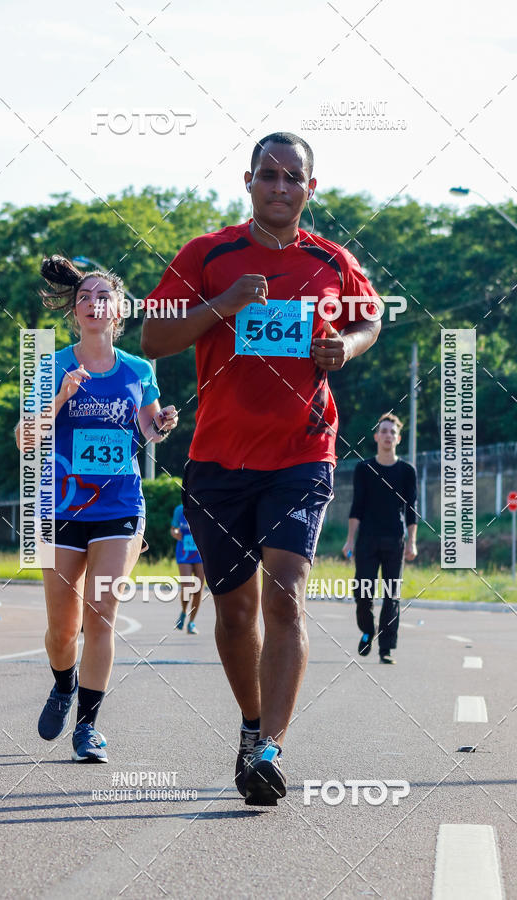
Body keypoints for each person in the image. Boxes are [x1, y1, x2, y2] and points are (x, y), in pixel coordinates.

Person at [142, 132, 381, 805]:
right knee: (234, 608)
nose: (281, 187)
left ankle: (271, 746)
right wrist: (222, 306)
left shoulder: (331, 261)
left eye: (293, 177)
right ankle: (250, 727)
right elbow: (153, 337)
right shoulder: (207, 255)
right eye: (269, 176)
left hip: (301, 454)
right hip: (217, 460)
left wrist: (349, 349)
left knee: (284, 592)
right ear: (248, 180)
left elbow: (369, 320)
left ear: (311, 186)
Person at [15, 256, 178, 763]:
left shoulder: (139, 369)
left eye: (103, 296)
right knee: (63, 631)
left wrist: (163, 423)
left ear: (118, 310)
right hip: (60, 508)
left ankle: (87, 727)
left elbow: (148, 430)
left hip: (120, 506)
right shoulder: (51, 365)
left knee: (101, 615)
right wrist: (62, 396)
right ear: (74, 311)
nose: (93, 302)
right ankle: (63, 684)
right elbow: (25, 440)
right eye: (84, 295)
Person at [343, 413, 418, 664]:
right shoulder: (364, 468)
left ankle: (386, 648)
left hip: (394, 539)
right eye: (384, 431)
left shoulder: (407, 471)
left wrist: (412, 541)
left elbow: (411, 509)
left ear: (398, 438)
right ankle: (367, 630)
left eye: (392, 432)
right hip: (366, 540)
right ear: (376, 436)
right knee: (363, 591)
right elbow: (357, 507)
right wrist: (350, 540)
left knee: (391, 594)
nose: (388, 435)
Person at [171, 503, 204, 634]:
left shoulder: (205, 508)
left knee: (198, 588)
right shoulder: (180, 509)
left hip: (200, 552)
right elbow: (173, 529)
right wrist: (176, 534)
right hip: (184, 552)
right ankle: (184, 612)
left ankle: (191, 623)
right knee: (187, 586)